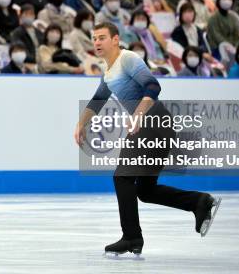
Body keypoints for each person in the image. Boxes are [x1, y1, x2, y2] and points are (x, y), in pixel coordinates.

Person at [74, 22, 220, 256]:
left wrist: (138, 115)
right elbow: (98, 99)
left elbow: (153, 86)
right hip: (157, 126)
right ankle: (199, 202)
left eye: (102, 37)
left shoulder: (128, 58)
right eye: (94, 38)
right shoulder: (109, 71)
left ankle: (131, 237)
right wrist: (81, 124)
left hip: (153, 122)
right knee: (145, 190)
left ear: (115, 39)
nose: (97, 42)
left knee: (122, 177)